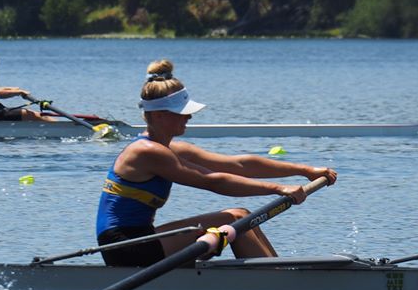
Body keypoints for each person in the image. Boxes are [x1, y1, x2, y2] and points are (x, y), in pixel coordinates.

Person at [95, 60, 338, 266]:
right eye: (182, 111)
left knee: (240, 215)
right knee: (232, 219)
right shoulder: (146, 152)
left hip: (142, 237)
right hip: (124, 246)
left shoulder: (169, 147)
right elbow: (213, 182)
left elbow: (236, 165)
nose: (189, 116)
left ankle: (275, 273)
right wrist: (278, 188)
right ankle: (275, 285)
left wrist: (305, 170)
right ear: (159, 115)